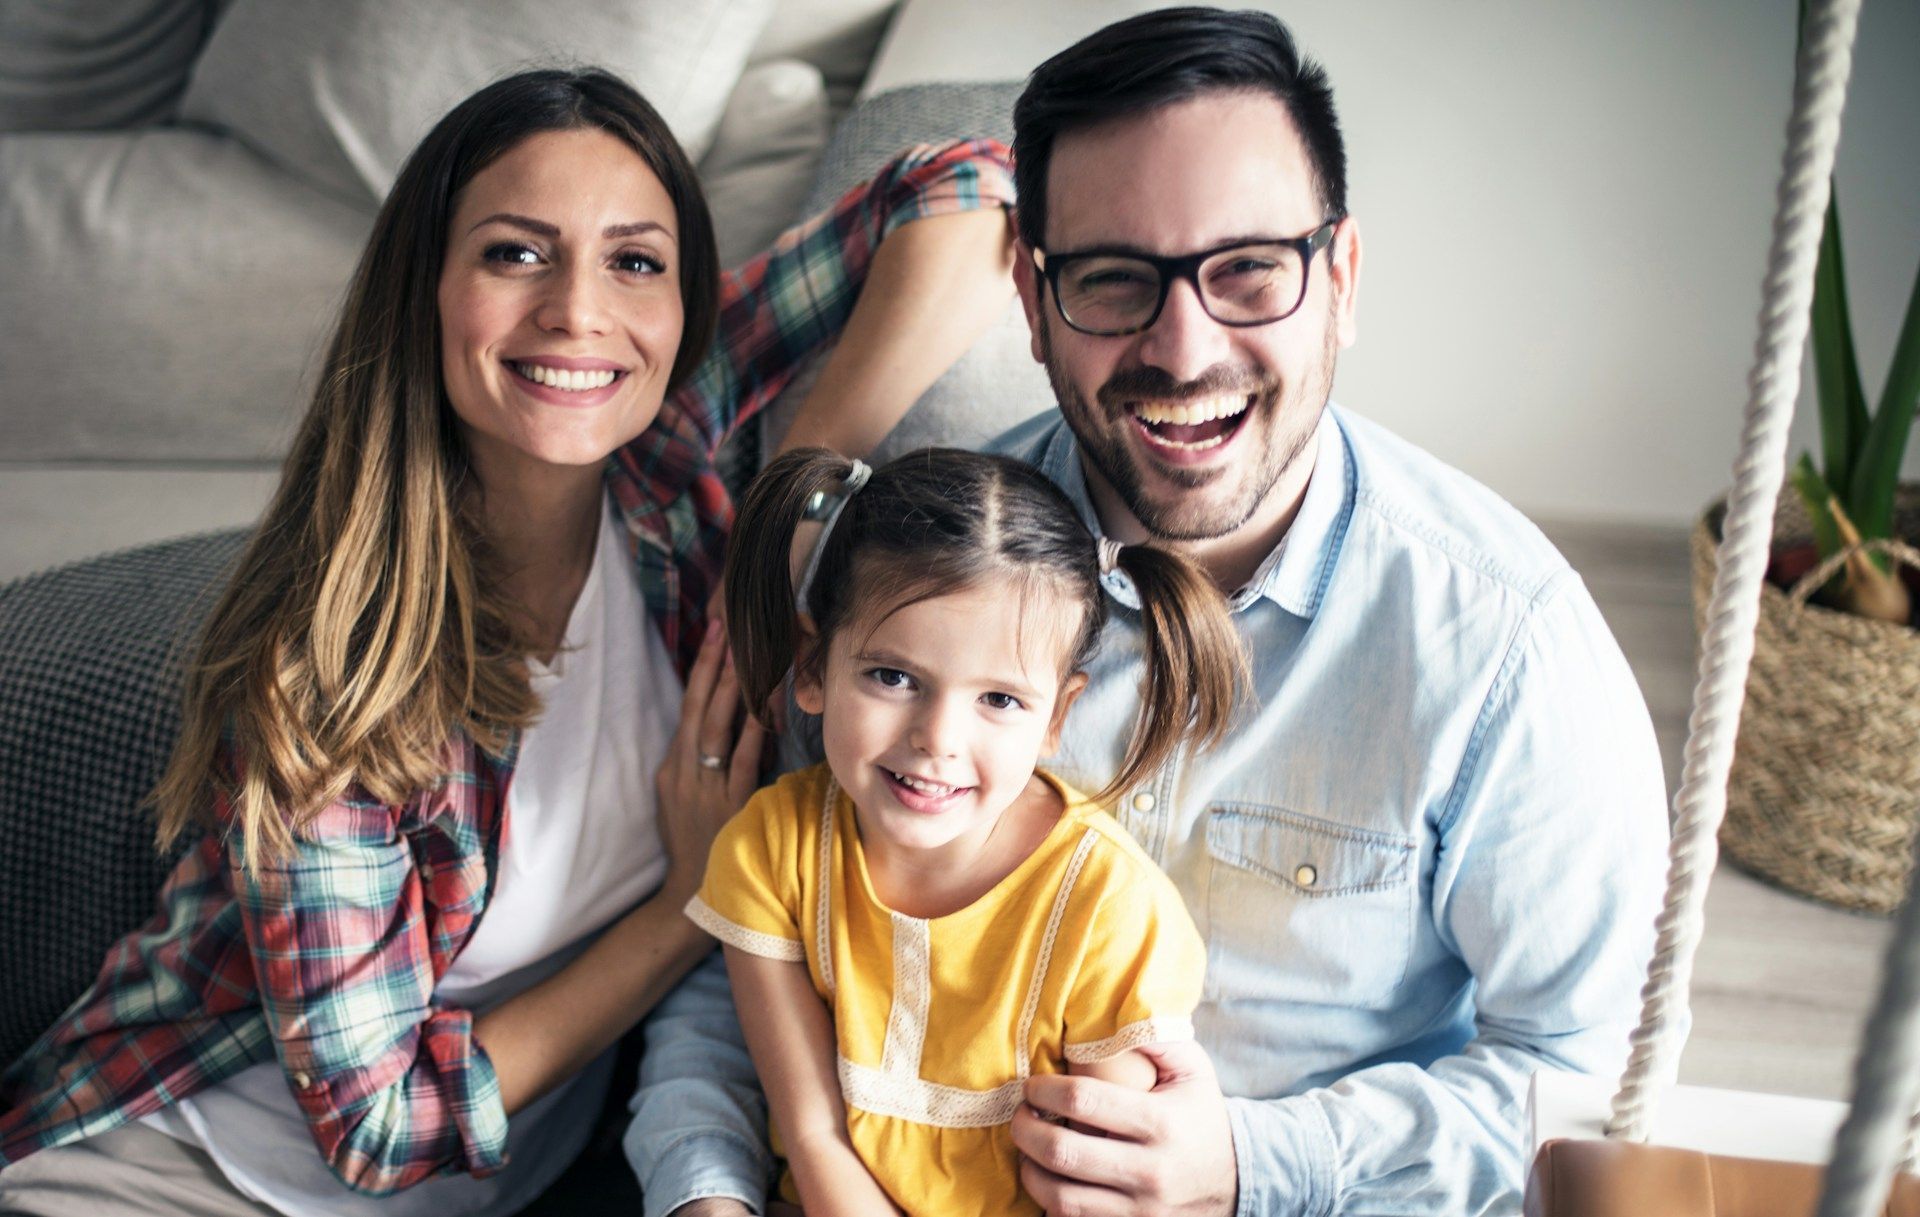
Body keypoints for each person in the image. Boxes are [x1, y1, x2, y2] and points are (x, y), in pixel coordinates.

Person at [633, 8, 1671, 1215]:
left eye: (1246, 272)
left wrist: (1251, 1162)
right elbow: (755, 950)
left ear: (1339, 279)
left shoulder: (1511, 648)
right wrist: (708, 1191)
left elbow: (1595, 1091)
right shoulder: (915, 582)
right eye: (1115, 280)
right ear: (1032, 296)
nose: (1183, 349)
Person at [0, 67, 1014, 1216]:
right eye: (514, 253)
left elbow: (968, 182)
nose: (579, 311)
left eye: (636, 261)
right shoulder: (329, 671)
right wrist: (692, 900)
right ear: (425, 288)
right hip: (178, 1176)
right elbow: (379, 1130)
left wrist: (798, 484)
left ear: (679, 307)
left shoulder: (667, 472)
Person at [685, 446, 1245, 1215]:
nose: (938, 738)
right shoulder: (770, 853)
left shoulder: (1110, 911)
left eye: (1000, 700)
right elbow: (815, 1134)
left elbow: (1098, 1192)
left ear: (1058, 716)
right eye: (893, 676)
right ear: (812, 665)